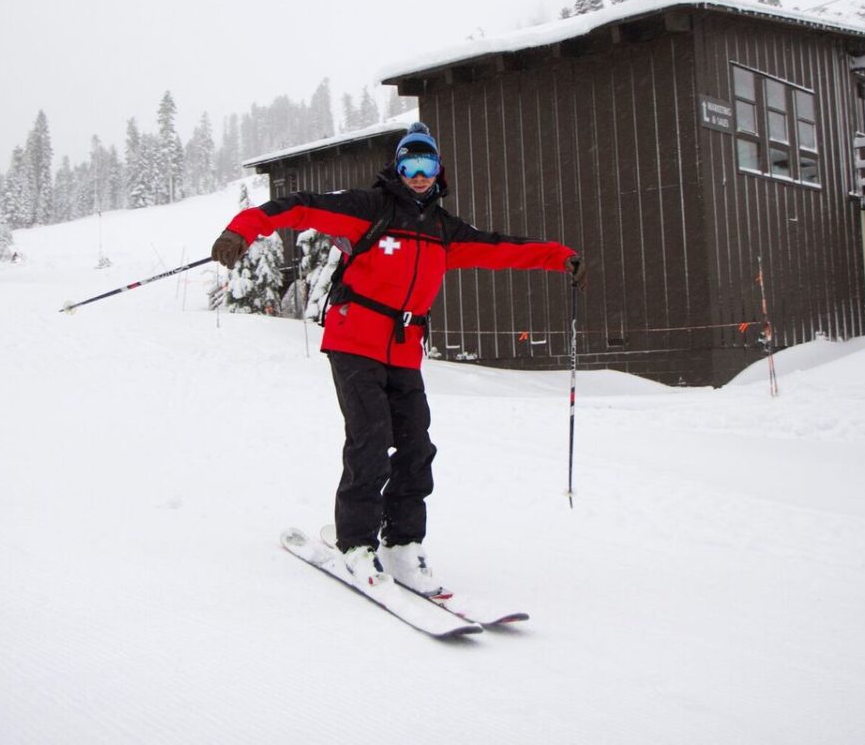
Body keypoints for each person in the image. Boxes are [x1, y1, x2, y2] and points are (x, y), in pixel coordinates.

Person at [210, 122, 586, 594]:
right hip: (354, 342)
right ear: (397, 167)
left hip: (405, 352)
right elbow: (297, 206)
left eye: (427, 165)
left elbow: (501, 248)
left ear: (438, 171)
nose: (419, 174)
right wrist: (240, 232)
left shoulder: (443, 231)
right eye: (409, 164)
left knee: (415, 449)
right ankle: (357, 546)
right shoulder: (369, 209)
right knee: (370, 441)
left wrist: (560, 257)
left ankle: (402, 544)